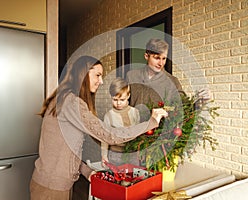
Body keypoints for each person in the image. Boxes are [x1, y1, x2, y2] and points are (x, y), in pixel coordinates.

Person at [29, 55, 168, 200]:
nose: (101, 81)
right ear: (83, 74)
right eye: (98, 75)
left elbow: (65, 149)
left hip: (52, 183)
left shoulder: (65, 99)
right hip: (52, 188)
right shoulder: (71, 103)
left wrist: (87, 171)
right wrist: (151, 122)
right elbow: (110, 135)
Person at [126, 38, 210, 108]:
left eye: (164, 58)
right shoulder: (132, 76)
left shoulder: (173, 81)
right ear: (146, 56)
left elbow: (184, 108)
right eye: (157, 58)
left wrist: (199, 102)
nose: (161, 63)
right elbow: (123, 103)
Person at [102, 77, 140, 166]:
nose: (118, 103)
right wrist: (104, 155)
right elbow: (105, 138)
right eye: (115, 100)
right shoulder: (109, 116)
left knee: (134, 177)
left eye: (122, 100)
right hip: (115, 155)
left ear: (128, 96)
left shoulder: (135, 112)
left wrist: (139, 151)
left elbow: (138, 135)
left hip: (133, 154)